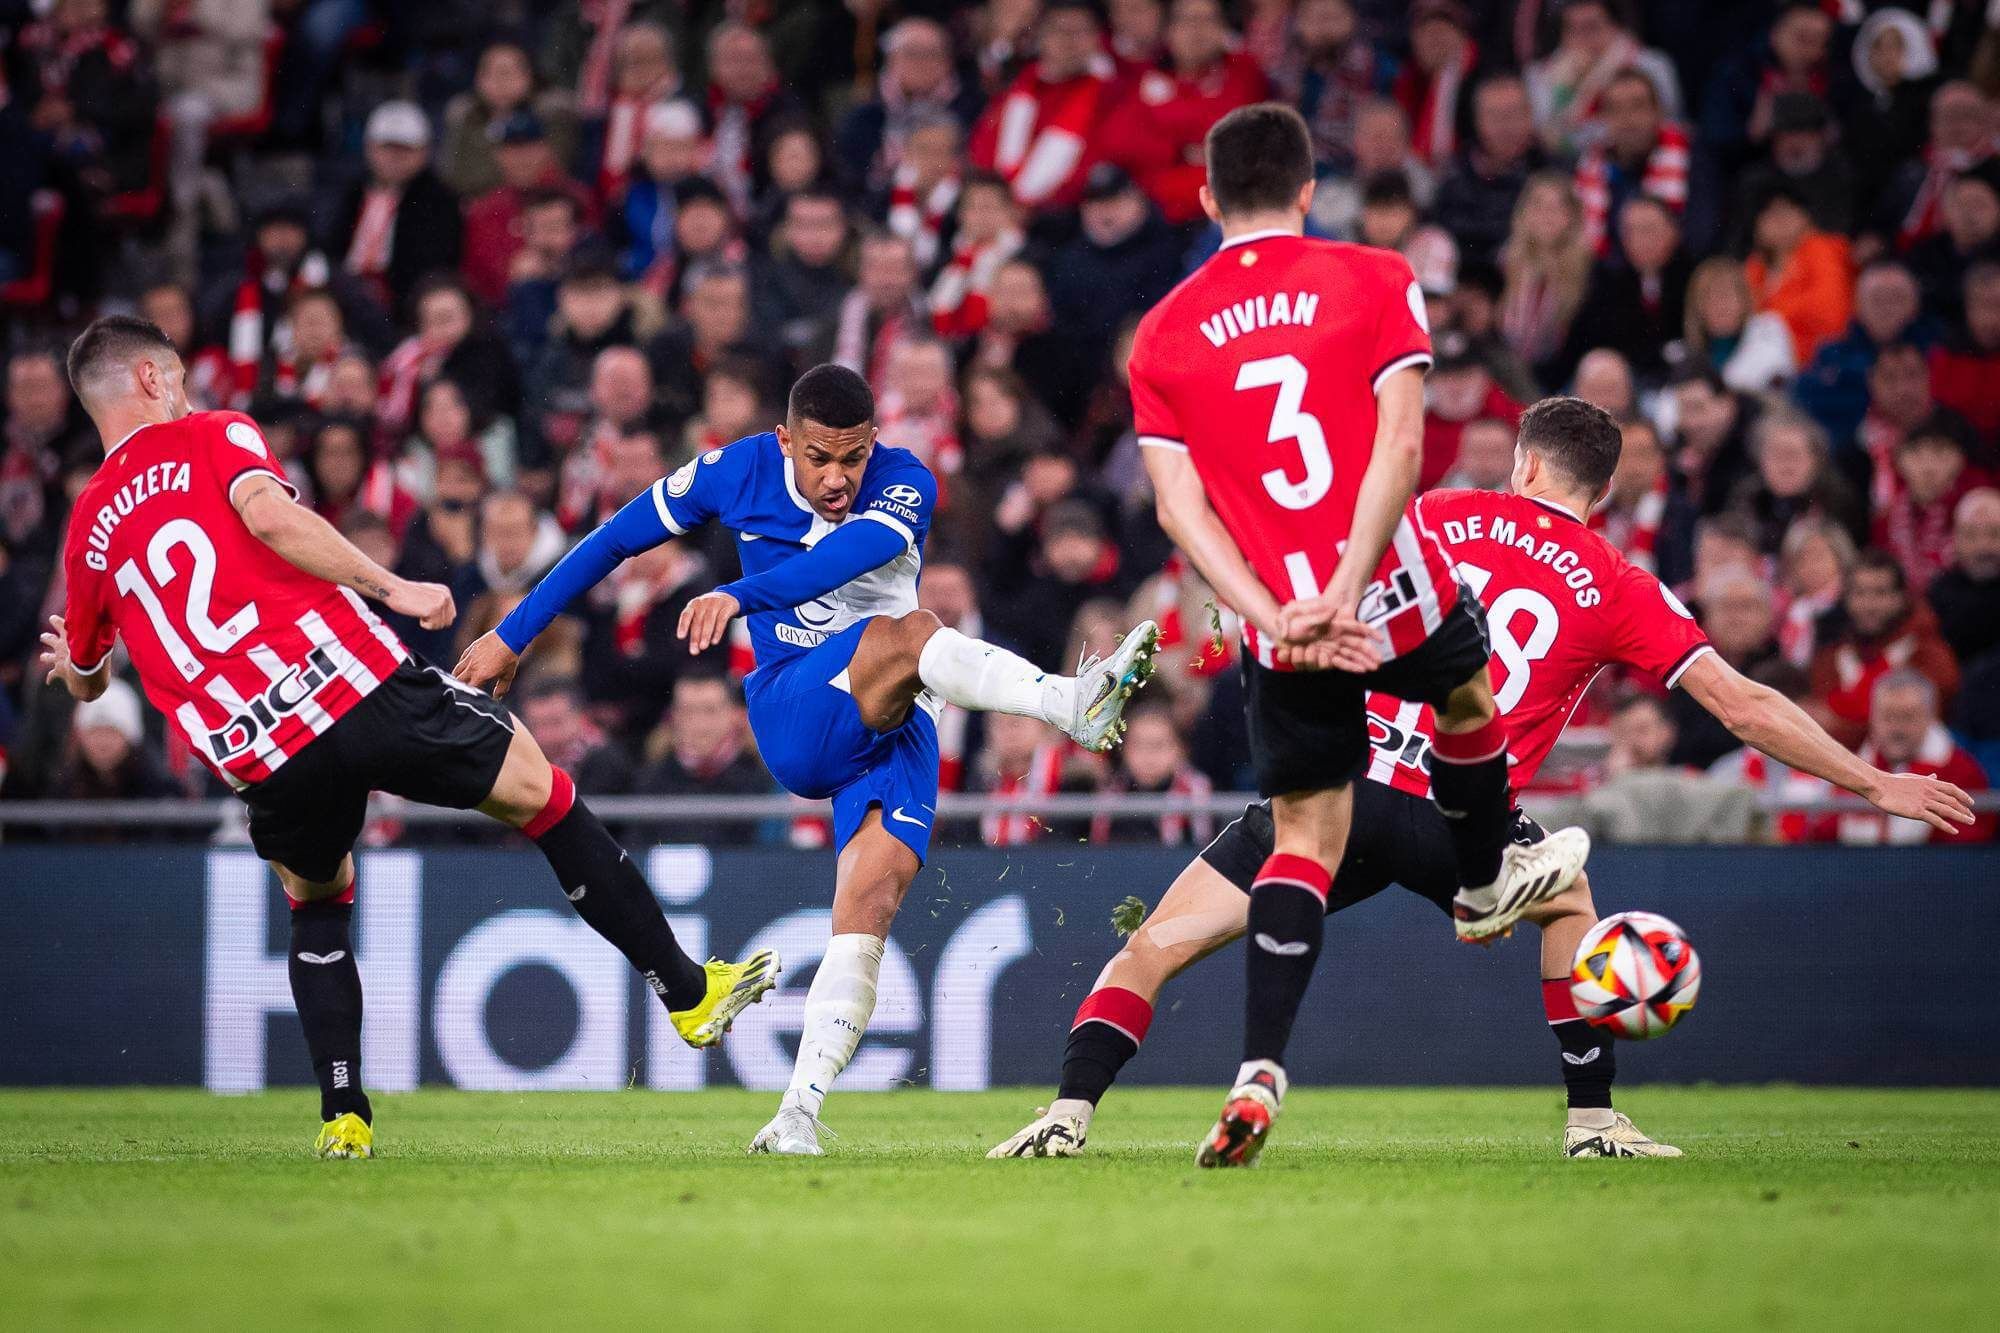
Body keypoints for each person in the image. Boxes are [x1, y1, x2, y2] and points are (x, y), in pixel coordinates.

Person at [990, 397, 1973, 1163]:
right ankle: (1591, 1119)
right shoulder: (1619, 582)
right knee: (1567, 896)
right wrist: (1868, 779)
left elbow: (1308, 580)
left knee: (1149, 946)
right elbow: (1740, 704)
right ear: (1602, 489)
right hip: (1452, 814)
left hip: (1333, 783)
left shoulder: (1436, 515)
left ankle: (1068, 1111)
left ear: (1524, 464)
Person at [39, 317, 777, 1161]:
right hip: (347, 683)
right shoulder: (212, 435)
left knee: (317, 899)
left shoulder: (89, 521)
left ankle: (344, 1114)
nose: (185, 392)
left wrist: (74, 672)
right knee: (541, 792)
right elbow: (272, 520)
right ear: (148, 379)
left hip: (257, 748)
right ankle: (687, 992)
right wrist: (392, 585)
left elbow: (93, 676)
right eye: (176, 378)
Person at [453, 364, 1160, 1156]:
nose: (837, 477)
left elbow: (845, 557)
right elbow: (616, 538)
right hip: (797, 705)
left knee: (870, 906)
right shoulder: (735, 469)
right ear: (785, 440)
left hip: (897, 718)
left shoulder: (906, 483)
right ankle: (1072, 704)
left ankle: (795, 1113)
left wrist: (741, 594)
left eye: (852, 457)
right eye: (819, 457)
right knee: (915, 629)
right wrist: (512, 634)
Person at [1124, 104, 1589, 1168]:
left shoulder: (1163, 330)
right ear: (1304, 191)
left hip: (1277, 622)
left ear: (1204, 200)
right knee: (1468, 701)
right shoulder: (1375, 277)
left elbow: (1175, 510)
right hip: (1389, 587)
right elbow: (1402, 442)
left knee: (1301, 838)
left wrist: (1272, 611)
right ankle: (1482, 876)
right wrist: (1346, 585)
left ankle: (1257, 1071)